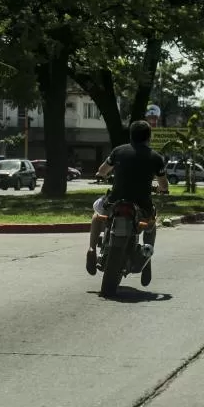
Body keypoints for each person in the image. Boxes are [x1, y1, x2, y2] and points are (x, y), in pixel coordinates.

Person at [86, 120, 170, 286]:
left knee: (97, 215)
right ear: (149, 137)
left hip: (115, 201)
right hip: (142, 206)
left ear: (131, 135)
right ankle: (147, 257)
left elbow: (102, 170)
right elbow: (164, 184)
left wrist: (100, 176)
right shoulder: (156, 157)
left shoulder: (118, 151)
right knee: (151, 223)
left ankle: (91, 249)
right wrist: (162, 190)